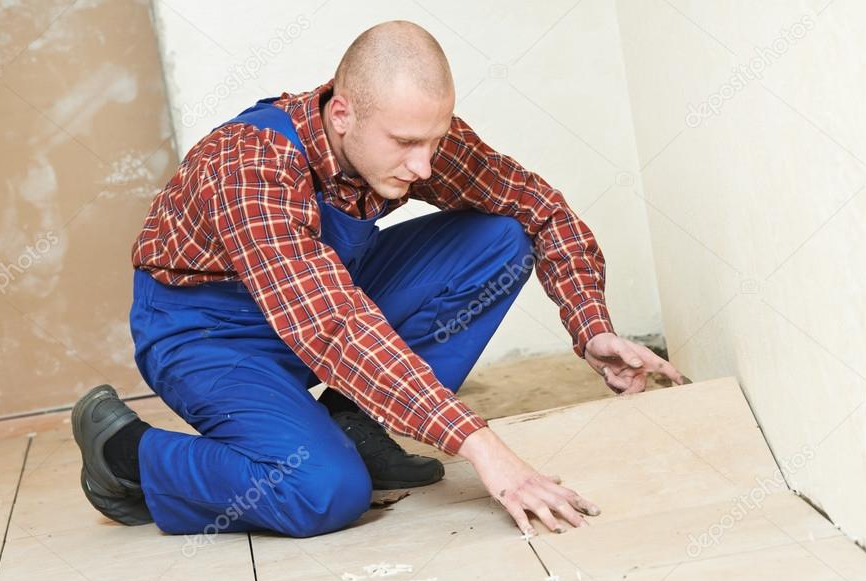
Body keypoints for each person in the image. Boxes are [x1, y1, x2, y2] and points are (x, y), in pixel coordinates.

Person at [73, 20, 686, 539]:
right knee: (322, 492)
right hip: (210, 334)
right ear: (342, 113)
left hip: (322, 294)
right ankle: (126, 457)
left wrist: (591, 325)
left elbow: (537, 208)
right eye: (406, 143)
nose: (423, 166)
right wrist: (481, 446)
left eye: (434, 140)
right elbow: (333, 325)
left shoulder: (408, 134)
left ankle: (356, 425)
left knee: (499, 238)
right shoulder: (250, 166)